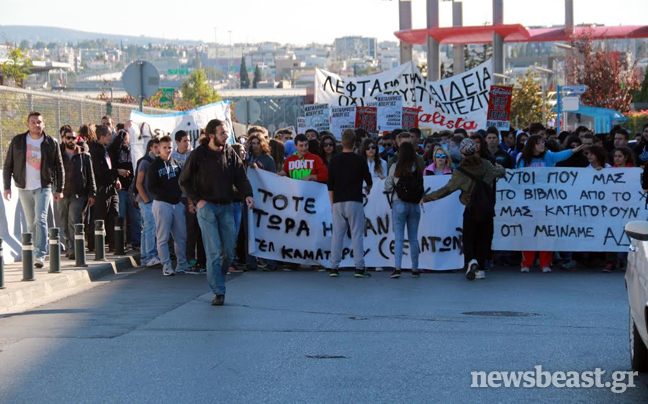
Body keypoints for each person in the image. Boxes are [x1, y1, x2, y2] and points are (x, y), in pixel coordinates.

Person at [179, 119, 254, 307]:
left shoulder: (229, 153)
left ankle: (217, 277)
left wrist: (248, 195)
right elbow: (184, 181)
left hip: (227, 206)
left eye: (226, 133)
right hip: (207, 208)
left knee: (228, 251)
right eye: (222, 133)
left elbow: (241, 177)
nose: (226, 136)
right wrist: (197, 200)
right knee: (213, 251)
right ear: (211, 135)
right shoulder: (198, 155)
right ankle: (218, 291)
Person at [422, 138, 505, 280]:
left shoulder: (460, 172)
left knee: (469, 237)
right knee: (483, 238)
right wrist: (500, 167)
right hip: (487, 209)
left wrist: (426, 198)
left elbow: (446, 190)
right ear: (475, 150)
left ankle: (471, 260)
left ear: (462, 152)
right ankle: (480, 269)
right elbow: (500, 173)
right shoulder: (486, 164)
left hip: (471, 208)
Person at [3, 111, 64, 268]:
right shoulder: (18, 141)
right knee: (30, 222)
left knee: (41, 219)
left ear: (43, 124)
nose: (36, 125)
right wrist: (7, 187)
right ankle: (33, 249)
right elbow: (8, 164)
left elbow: (59, 167)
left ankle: (40, 254)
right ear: (28, 124)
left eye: (39, 122)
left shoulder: (51, 142)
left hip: (43, 185)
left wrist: (59, 189)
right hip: (24, 187)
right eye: (33, 122)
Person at [517, 135, 584, 273]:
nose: (542, 145)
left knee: (545, 233)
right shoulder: (523, 160)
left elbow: (560, 155)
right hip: (529, 202)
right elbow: (518, 178)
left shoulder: (548, 156)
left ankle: (545, 263)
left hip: (546, 202)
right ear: (532, 145)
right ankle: (526, 263)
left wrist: (573, 151)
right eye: (539, 143)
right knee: (529, 232)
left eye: (543, 142)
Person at [328, 129, 373, 278]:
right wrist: (368, 188)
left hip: (338, 201)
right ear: (355, 143)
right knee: (357, 234)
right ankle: (359, 267)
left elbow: (330, 185)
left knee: (337, 235)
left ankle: (334, 267)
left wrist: (332, 203)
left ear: (341, 142)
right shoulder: (360, 160)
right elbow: (369, 180)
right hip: (355, 200)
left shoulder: (334, 160)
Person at [147, 135, 188, 276]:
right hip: (162, 204)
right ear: (159, 148)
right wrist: (167, 195)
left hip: (177, 204)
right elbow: (151, 186)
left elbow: (182, 182)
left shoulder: (176, 163)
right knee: (163, 237)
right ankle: (166, 265)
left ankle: (182, 264)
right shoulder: (154, 166)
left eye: (169, 147)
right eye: (164, 147)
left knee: (181, 236)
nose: (167, 150)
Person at [384, 142, 424, 279]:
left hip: (399, 203)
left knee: (399, 238)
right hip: (414, 205)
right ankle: (415, 268)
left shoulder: (396, 167)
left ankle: (397, 268)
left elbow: (388, 186)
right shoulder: (417, 167)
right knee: (413, 238)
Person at [58, 127, 96, 259]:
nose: (70, 140)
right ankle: (69, 246)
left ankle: (75, 248)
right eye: (68, 138)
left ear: (77, 139)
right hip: (62, 194)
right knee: (64, 222)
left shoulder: (84, 156)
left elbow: (91, 175)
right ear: (63, 139)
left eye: (73, 138)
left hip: (78, 194)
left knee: (74, 221)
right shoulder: (58, 155)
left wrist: (92, 193)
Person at [135, 138, 161, 267]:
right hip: (146, 200)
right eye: (155, 147)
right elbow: (138, 183)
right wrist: (145, 199)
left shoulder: (157, 161)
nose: (158, 149)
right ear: (150, 148)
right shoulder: (145, 162)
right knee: (150, 227)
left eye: (159, 147)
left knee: (148, 228)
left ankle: (146, 256)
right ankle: (149, 255)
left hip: (152, 200)